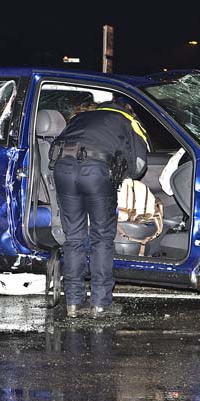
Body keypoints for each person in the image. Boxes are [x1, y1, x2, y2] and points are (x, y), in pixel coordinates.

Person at [50, 98, 149, 318]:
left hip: (62, 170)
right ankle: (100, 303)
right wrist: (120, 174)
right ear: (127, 109)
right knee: (102, 237)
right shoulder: (127, 119)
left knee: (73, 237)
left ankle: (73, 303)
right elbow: (139, 165)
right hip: (95, 172)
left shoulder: (80, 118)